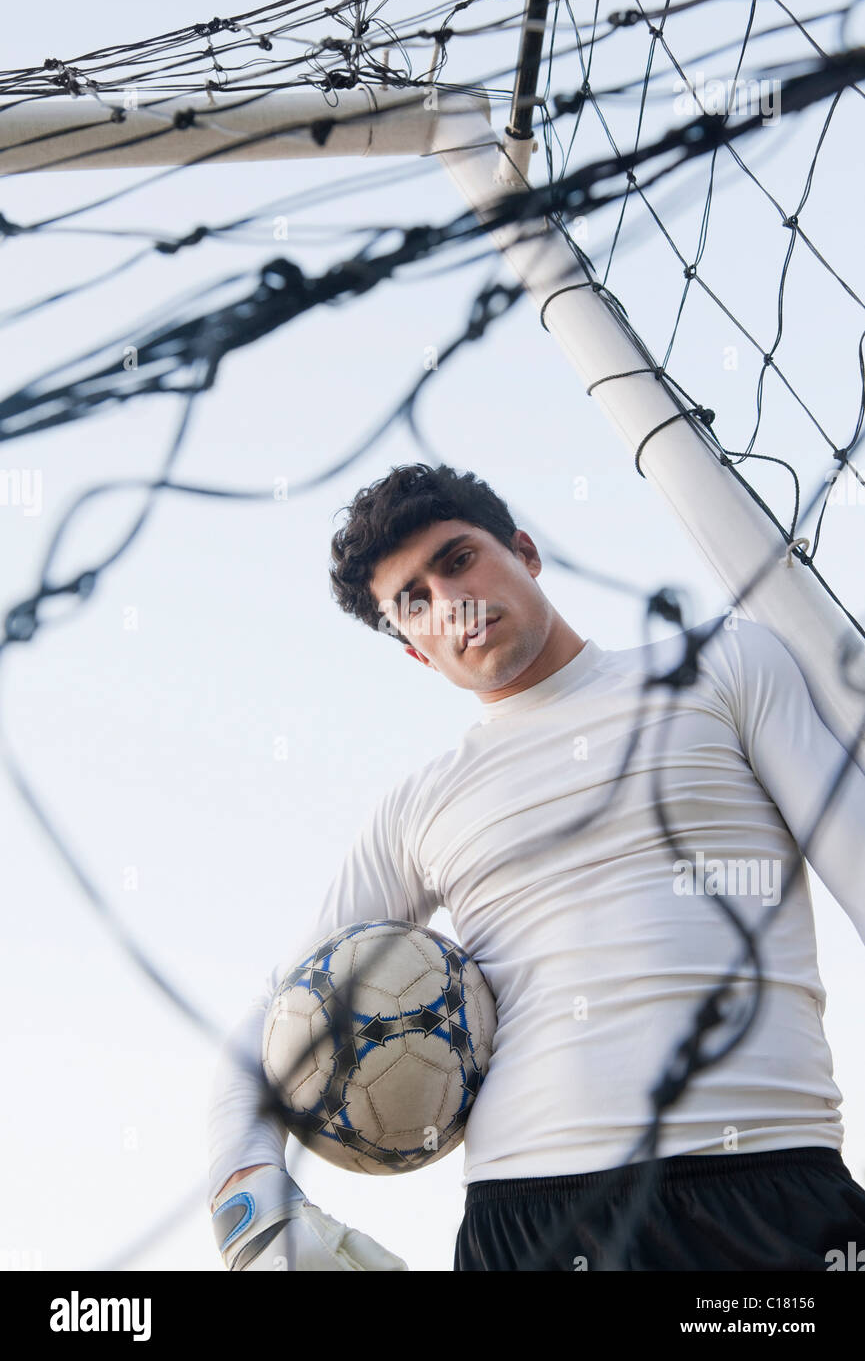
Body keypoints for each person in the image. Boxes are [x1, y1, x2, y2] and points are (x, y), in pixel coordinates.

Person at [208, 461, 865, 1272]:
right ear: (414, 651)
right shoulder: (418, 808)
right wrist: (251, 1213)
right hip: (530, 1228)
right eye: (413, 601)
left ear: (524, 551)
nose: (450, 604)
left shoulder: (725, 665)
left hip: (767, 1191)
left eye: (457, 560)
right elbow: (281, 1021)